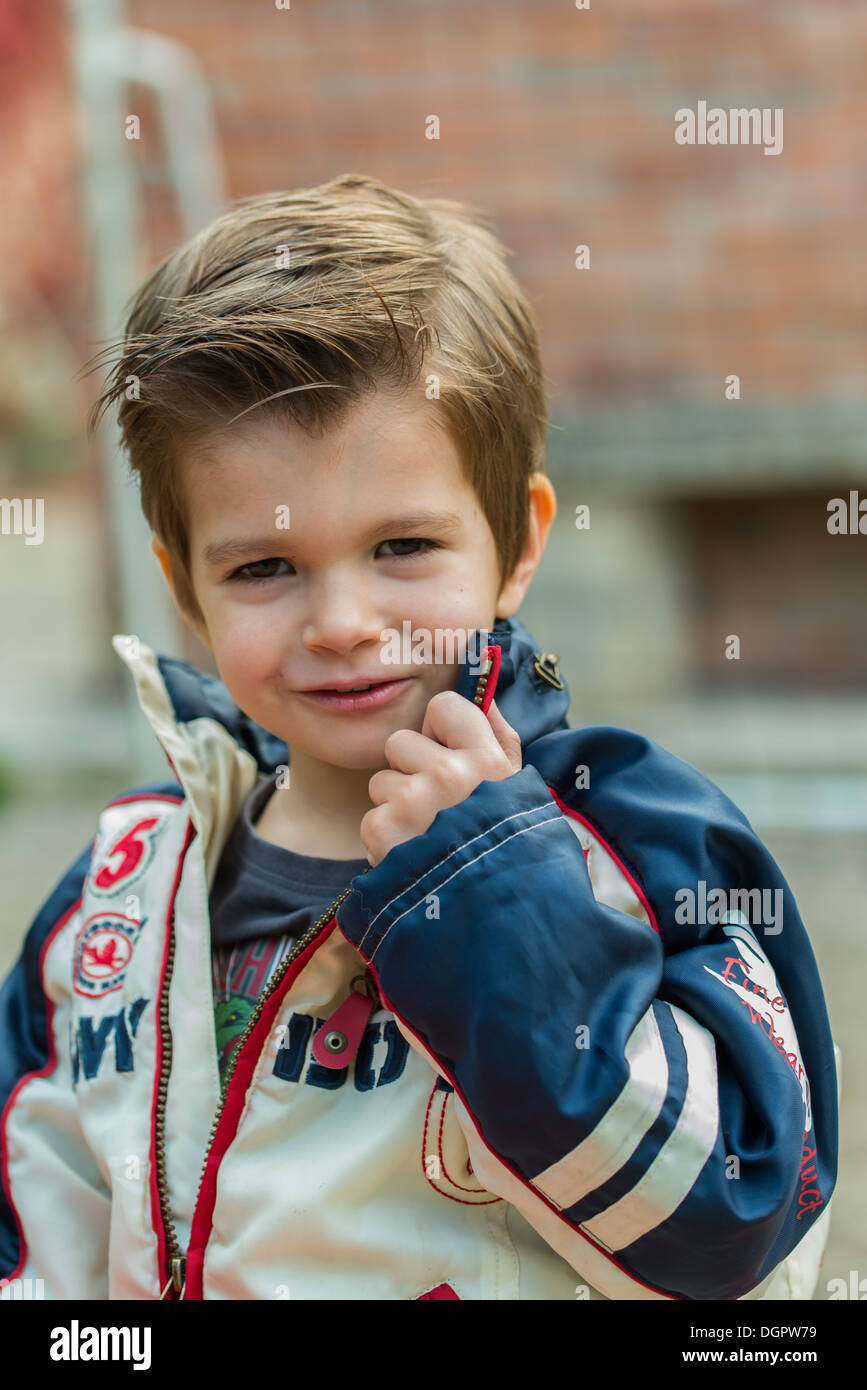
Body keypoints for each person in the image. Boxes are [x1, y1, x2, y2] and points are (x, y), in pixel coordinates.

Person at [0, 174, 839, 1301]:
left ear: (516, 539)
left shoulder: (635, 844)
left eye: (402, 546)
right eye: (265, 568)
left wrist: (493, 897)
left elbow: (734, 1229)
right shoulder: (118, 893)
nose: (343, 622)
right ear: (183, 587)